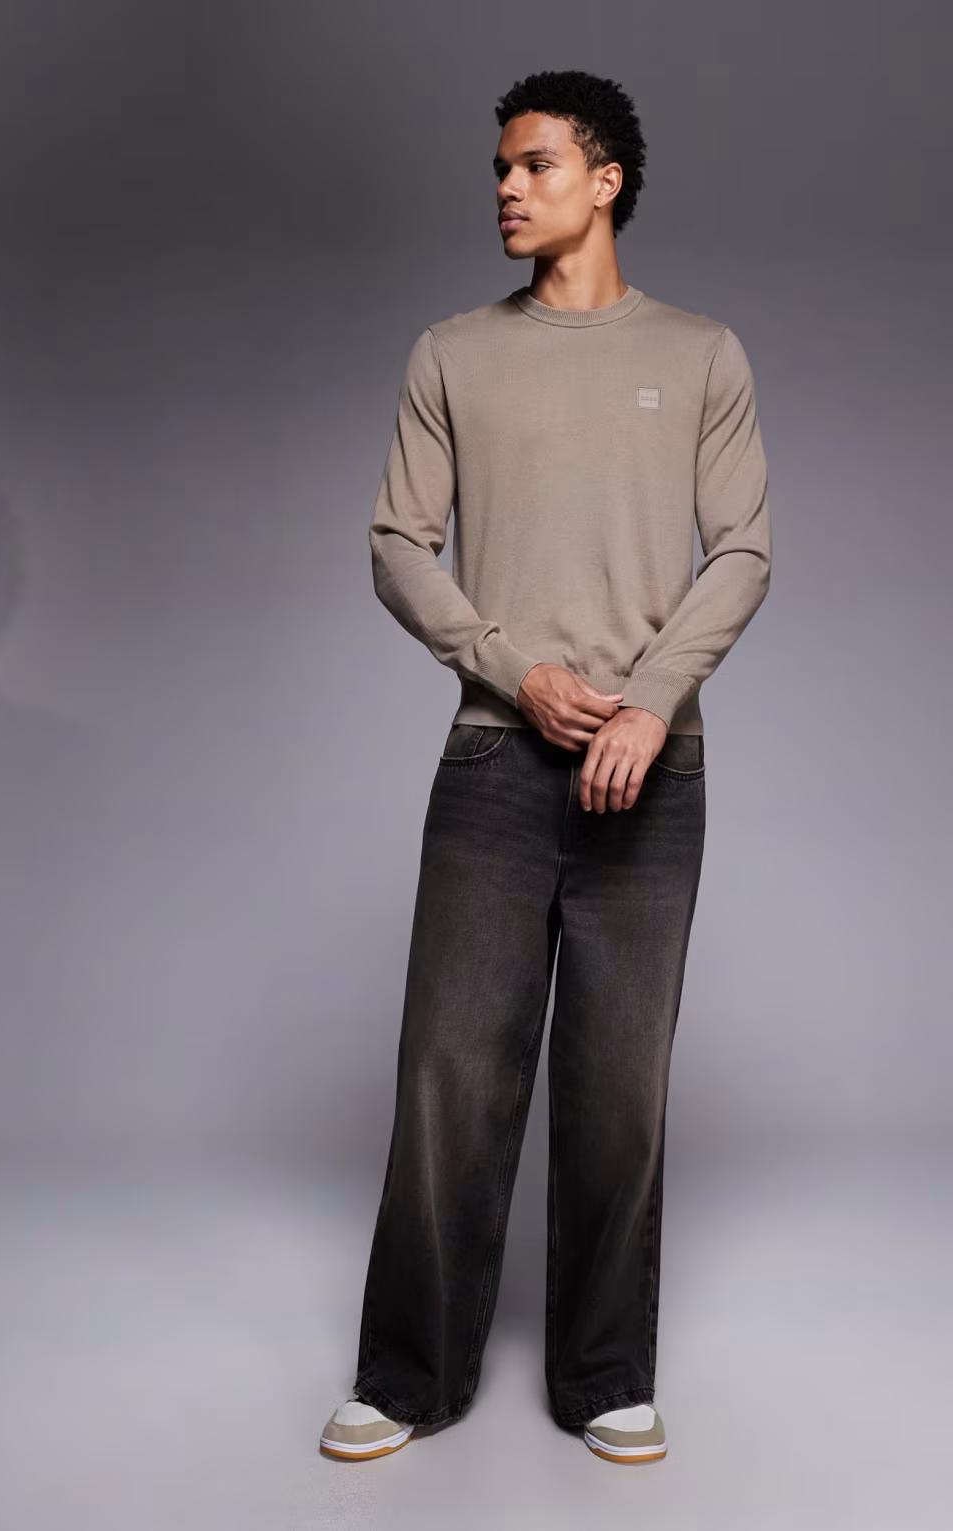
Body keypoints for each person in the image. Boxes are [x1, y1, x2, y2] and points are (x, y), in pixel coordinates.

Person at [320, 67, 772, 1467]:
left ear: (605, 179)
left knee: (619, 1088)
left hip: (655, 771)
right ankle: (409, 1374)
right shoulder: (453, 353)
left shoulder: (702, 354)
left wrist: (650, 705)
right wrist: (516, 671)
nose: (508, 190)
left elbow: (743, 552)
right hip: (495, 763)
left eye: (535, 165)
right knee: (450, 1073)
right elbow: (398, 545)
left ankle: (605, 1373)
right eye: (501, 170)